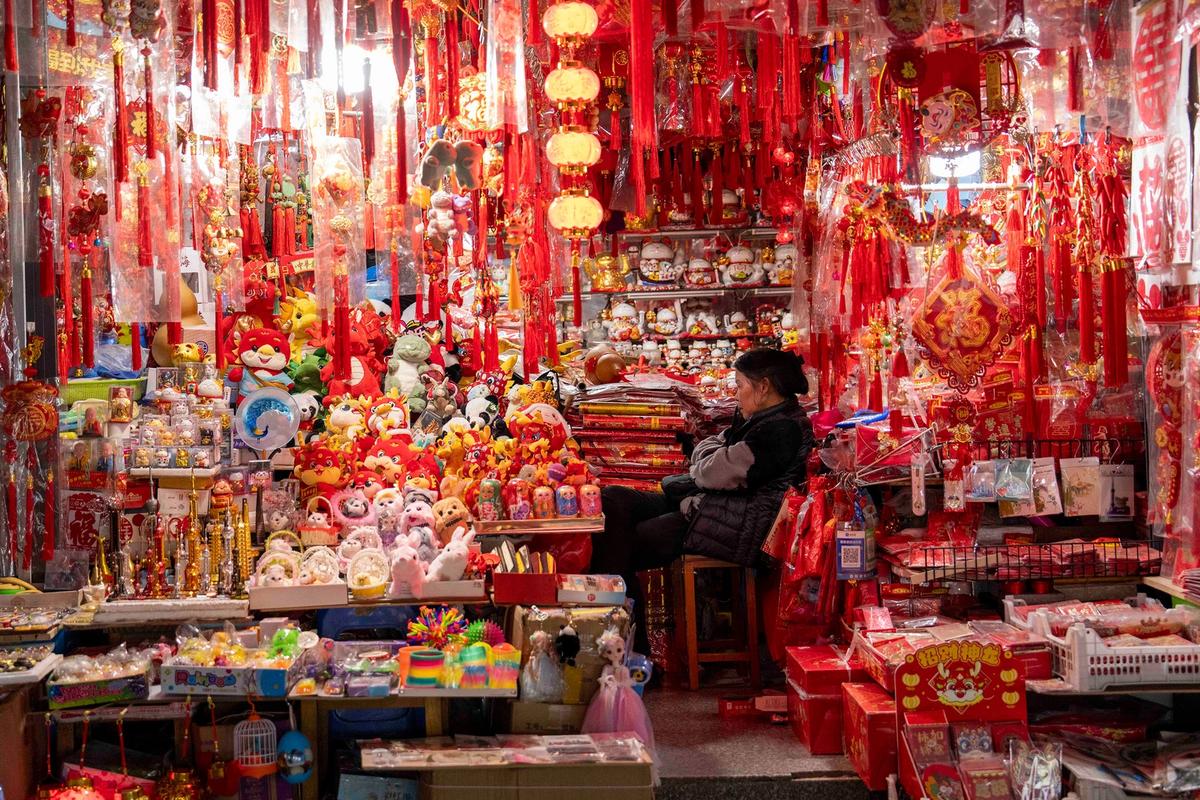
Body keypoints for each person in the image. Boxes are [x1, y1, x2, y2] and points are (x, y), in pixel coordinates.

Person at [592, 348, 815, 655]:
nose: (736, 394)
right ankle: (627, 647)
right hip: (711, 506)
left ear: (763, 387)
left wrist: (706, 465)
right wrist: (707, 464)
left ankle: (629, 651)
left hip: (738, 523)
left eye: (739, 385)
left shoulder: (783, 429)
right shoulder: (758, 419)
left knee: (620, 545)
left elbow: (715, 470)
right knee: (613, 500)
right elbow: (709, 453)